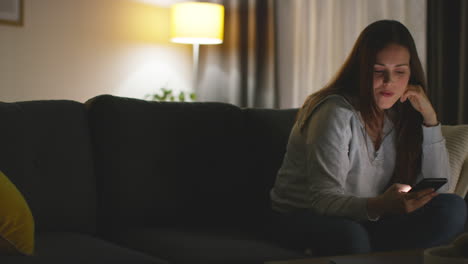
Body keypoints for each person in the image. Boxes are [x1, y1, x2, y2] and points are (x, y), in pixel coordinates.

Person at [269, 20, 467, 256]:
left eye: (400, 71)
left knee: (451, 207)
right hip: (305, 215)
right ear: (362, 69)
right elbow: (323, 200)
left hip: (367, 216)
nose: (389, 81)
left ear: (411, 75)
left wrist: (430, 119)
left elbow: (440, 189)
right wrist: (382, 205)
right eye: (378, 70)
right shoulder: (335, 112)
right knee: (352, 237)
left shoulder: (401, 115)